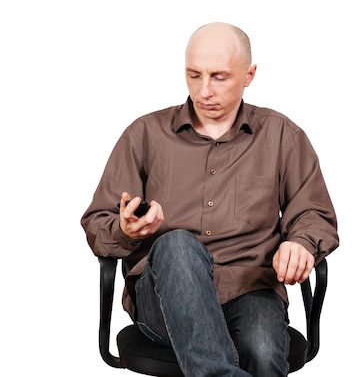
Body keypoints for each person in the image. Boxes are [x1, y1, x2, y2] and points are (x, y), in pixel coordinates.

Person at [81, 22, 339, 377]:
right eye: (193, 75)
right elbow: (98, 224)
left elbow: (314, 213)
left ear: (248, 75)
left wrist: (301, 243)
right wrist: (127, 229)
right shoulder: (144, 134)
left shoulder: (283, 137)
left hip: (251, 286)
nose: (204, 91)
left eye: (219, 77)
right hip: (163, 298)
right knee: (177, 244)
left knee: (262, 353)